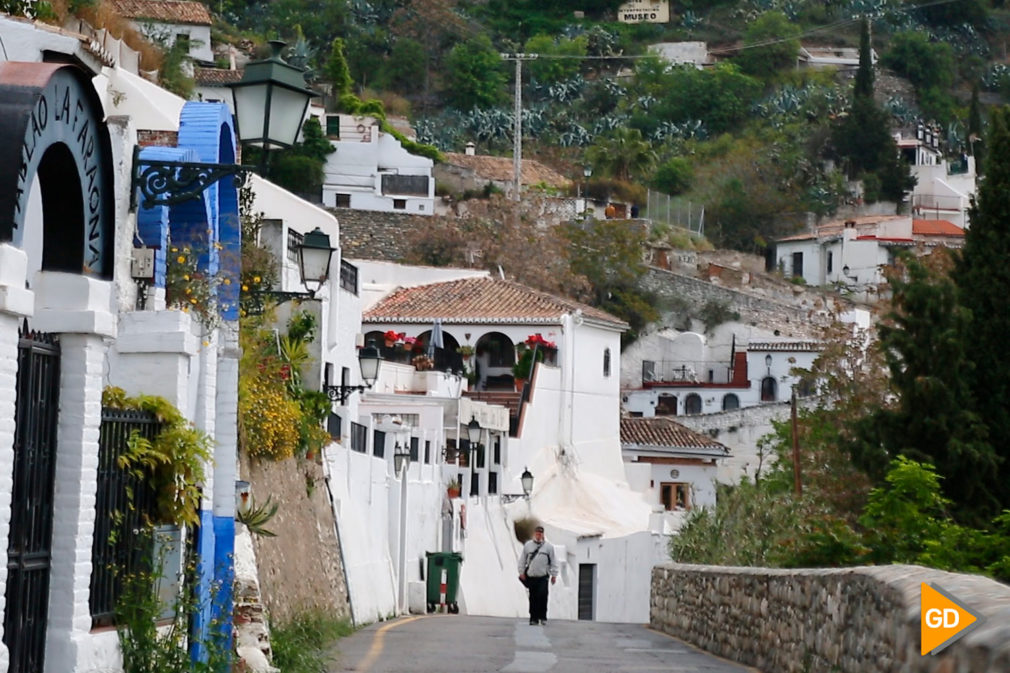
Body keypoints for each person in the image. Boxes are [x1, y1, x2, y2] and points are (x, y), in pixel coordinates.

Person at [517, 525, 558, 625]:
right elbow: (522, 560)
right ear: (534, 534)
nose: (538, 535)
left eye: (540, 533)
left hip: (543, 577)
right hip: (532, 577)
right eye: (537, 533)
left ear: (543, 534)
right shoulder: (528, 546)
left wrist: (554, 575)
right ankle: (533, 618)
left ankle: (542, 616)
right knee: (533, 597)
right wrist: (521, 572)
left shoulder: (549, 547)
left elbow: (553, 561)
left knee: (542, 596)